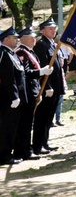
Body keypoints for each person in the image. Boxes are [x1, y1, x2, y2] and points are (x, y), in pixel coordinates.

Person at [14, 27, 52, 161]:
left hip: (34, 91)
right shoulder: (21, 52)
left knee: (28, 123)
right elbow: (25, 73)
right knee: (24, 124)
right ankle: (23, 150)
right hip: (27, 92)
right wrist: (41, 72)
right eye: (31, 38)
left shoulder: (31, 52)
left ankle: (25, 149)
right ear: (23, 39)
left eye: (34, 37)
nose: (34, 40)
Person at [33, 17, 64, 156]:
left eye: (54, 28)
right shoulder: (41, 45)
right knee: (42, 117)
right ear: (43, 30)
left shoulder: (52, 44)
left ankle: (45, 142)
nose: (53, 30)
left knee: (49, 117)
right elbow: (44, 68)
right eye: (50, 28)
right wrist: (47, 87)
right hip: (48, 88)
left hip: (56, 86)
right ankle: (38, 145)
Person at [0, 27, 25, 166]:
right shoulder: (3, 53)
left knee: (12, 127)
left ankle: (9, 152)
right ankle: (4, 156)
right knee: (7, 128)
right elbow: (8, 78)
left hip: (14, 98)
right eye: (14, 38)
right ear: (5, 39)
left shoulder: (11, 53)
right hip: (7, 98)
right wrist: (14, 96)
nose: (17, 40)